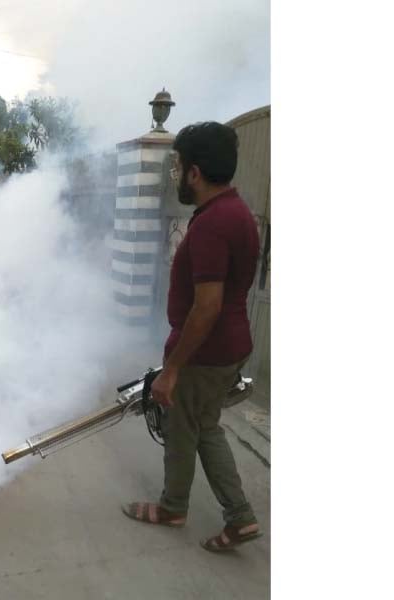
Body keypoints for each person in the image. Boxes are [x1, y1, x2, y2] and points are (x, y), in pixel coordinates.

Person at [121, 121, 263, 552]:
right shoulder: (235, 212)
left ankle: (175, 508)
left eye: (178, 166)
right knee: (204, 427)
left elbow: (207, 306)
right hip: (227, 346)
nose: (176, 175)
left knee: (185, 429)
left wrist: (172, 370)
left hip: (206, 353)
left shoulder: (212, 225)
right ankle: (237, 517)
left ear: (195, 173)